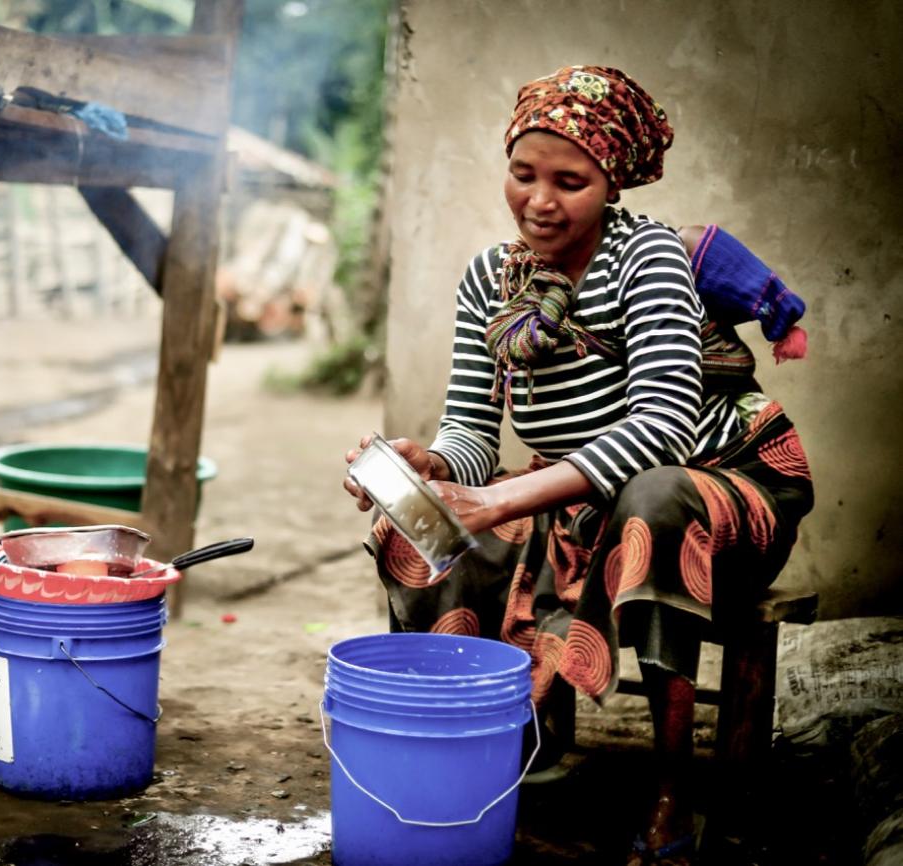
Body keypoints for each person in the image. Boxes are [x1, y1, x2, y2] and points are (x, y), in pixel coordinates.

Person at [342, 65, 814, 866]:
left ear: (613, 182)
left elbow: (663, 427)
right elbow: (472, 438)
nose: (540, 201)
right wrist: (426, 461)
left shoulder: (648, 258)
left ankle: (675, 793)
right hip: (583, 497)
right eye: (523, 175)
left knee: (650, 501)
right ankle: (511, 745)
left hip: (723, 488)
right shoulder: (491, 279)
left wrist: (506, 500)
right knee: (435, 530)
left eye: (571, 181)